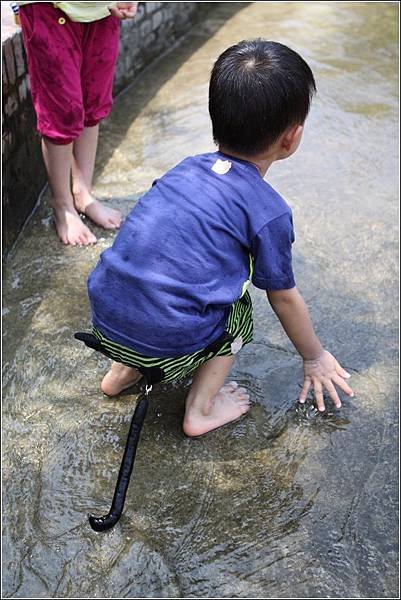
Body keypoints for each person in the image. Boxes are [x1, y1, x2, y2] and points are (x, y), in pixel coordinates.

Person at [85, 39, 355, 437]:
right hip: (162, 337)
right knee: (238, 310)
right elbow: (282, 296)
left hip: (106, 321)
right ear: (292, 137)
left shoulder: (186, 168)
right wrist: (314, 357)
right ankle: (201, 408)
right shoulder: (269, 211)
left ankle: (121, 374)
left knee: (161, 280)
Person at [17, 1, 138, 246]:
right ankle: (63, 206)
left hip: (102, 8)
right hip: (49, 8)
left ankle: (83, 193)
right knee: (61, 110)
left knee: (94, 101)